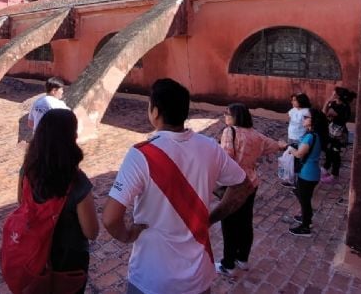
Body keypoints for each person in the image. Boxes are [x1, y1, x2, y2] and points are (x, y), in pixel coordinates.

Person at [102, 78, 252, 294]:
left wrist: (127, 235)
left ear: (155, 112)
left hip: (151, 277)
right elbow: (243, 185)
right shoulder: (209, 147)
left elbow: (109, 218)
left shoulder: (140, 155)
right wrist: (212, 217)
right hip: (198, 278)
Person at [19, 108, 98, 293]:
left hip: (35, 253)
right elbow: (91, 231)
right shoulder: (77, 182)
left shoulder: (27, 171)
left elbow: (21, 203)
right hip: (69, 260)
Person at [215, 103, 288, 275]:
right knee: (245, 222)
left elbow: (226, 160)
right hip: (251, 183)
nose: (225, 116)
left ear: (235, 117)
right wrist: (283, 145)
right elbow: (273, 145)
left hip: (234, 184)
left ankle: (228, 265)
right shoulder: (256, 135)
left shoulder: (229, 132)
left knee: (230, 224)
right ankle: (243, 259)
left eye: (227, 113)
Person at [286, 108, 328, 236]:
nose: (304, 119)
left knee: (304, 199)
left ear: (313, 121)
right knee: (304, 196)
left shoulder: (310, 136)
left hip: (307, 173)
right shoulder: (317, 135)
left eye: (306, 117)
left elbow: (299, 154)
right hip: (312, 172)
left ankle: (305, 227)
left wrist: (289, 148)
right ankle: (307, 218)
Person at [321, 87, 357, 183]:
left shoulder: (344, 107)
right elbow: (324, 113)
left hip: (338, 134)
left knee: (335, 153)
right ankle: (326, 167)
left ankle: (334, 174)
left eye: (334, 93)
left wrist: (328, 101)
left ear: (338, 96)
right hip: (330, 131)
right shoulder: (333, 103)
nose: (332, 93)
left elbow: (326, 113)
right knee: (328, 150)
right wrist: (328, 102)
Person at [282, 92, 312, 188]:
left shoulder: (306, 112)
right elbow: (289, 117)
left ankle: (298, 181)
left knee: (298, 159)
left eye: (295, 100)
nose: (292, 102)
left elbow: (308, 125)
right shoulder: (293, 110)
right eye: (292, 100)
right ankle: (292, 178)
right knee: (291, 158)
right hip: (291, 136)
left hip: (300, 138)